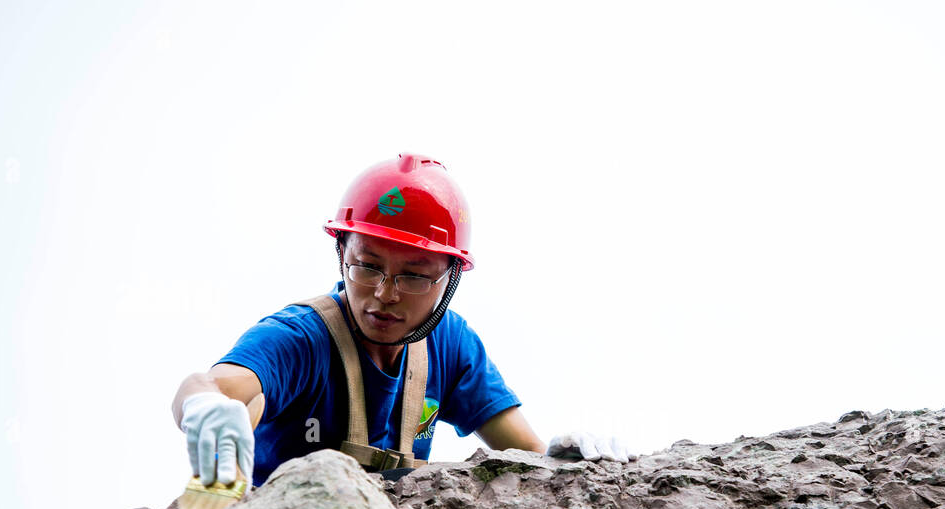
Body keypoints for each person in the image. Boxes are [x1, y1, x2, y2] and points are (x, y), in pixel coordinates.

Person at [171, 153, 634, 487]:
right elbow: (209, 385)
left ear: (449, 278)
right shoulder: (300, 339)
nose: (384, 294)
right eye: (367, 266)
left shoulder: (449, 344)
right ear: (341, 254)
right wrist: (204, 407)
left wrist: (561, 456)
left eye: (414, 276)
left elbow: (523, 451)